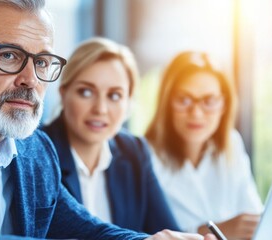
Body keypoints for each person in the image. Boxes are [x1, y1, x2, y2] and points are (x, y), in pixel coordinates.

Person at [0, 1, 218, 240]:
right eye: (9, 55)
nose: (30, 79)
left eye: (43, 61)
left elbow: (82, 227)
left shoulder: (34, 150)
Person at [42, 37, 180, 234]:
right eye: (86, 92)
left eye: (114, 95)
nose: (101, 109)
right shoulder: (38, 152)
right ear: (64, 93)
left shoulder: (134, 151)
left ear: (129, 102)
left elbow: (167, 230)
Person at [145, 51, 263, 240]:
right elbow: (141, 232)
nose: (196, 113)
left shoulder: (231, 144)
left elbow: (253, 216)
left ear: (223, 105)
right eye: (184, 100)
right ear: (167, 103)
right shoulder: (142, 156)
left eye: (209, 101)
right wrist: (212, 231)